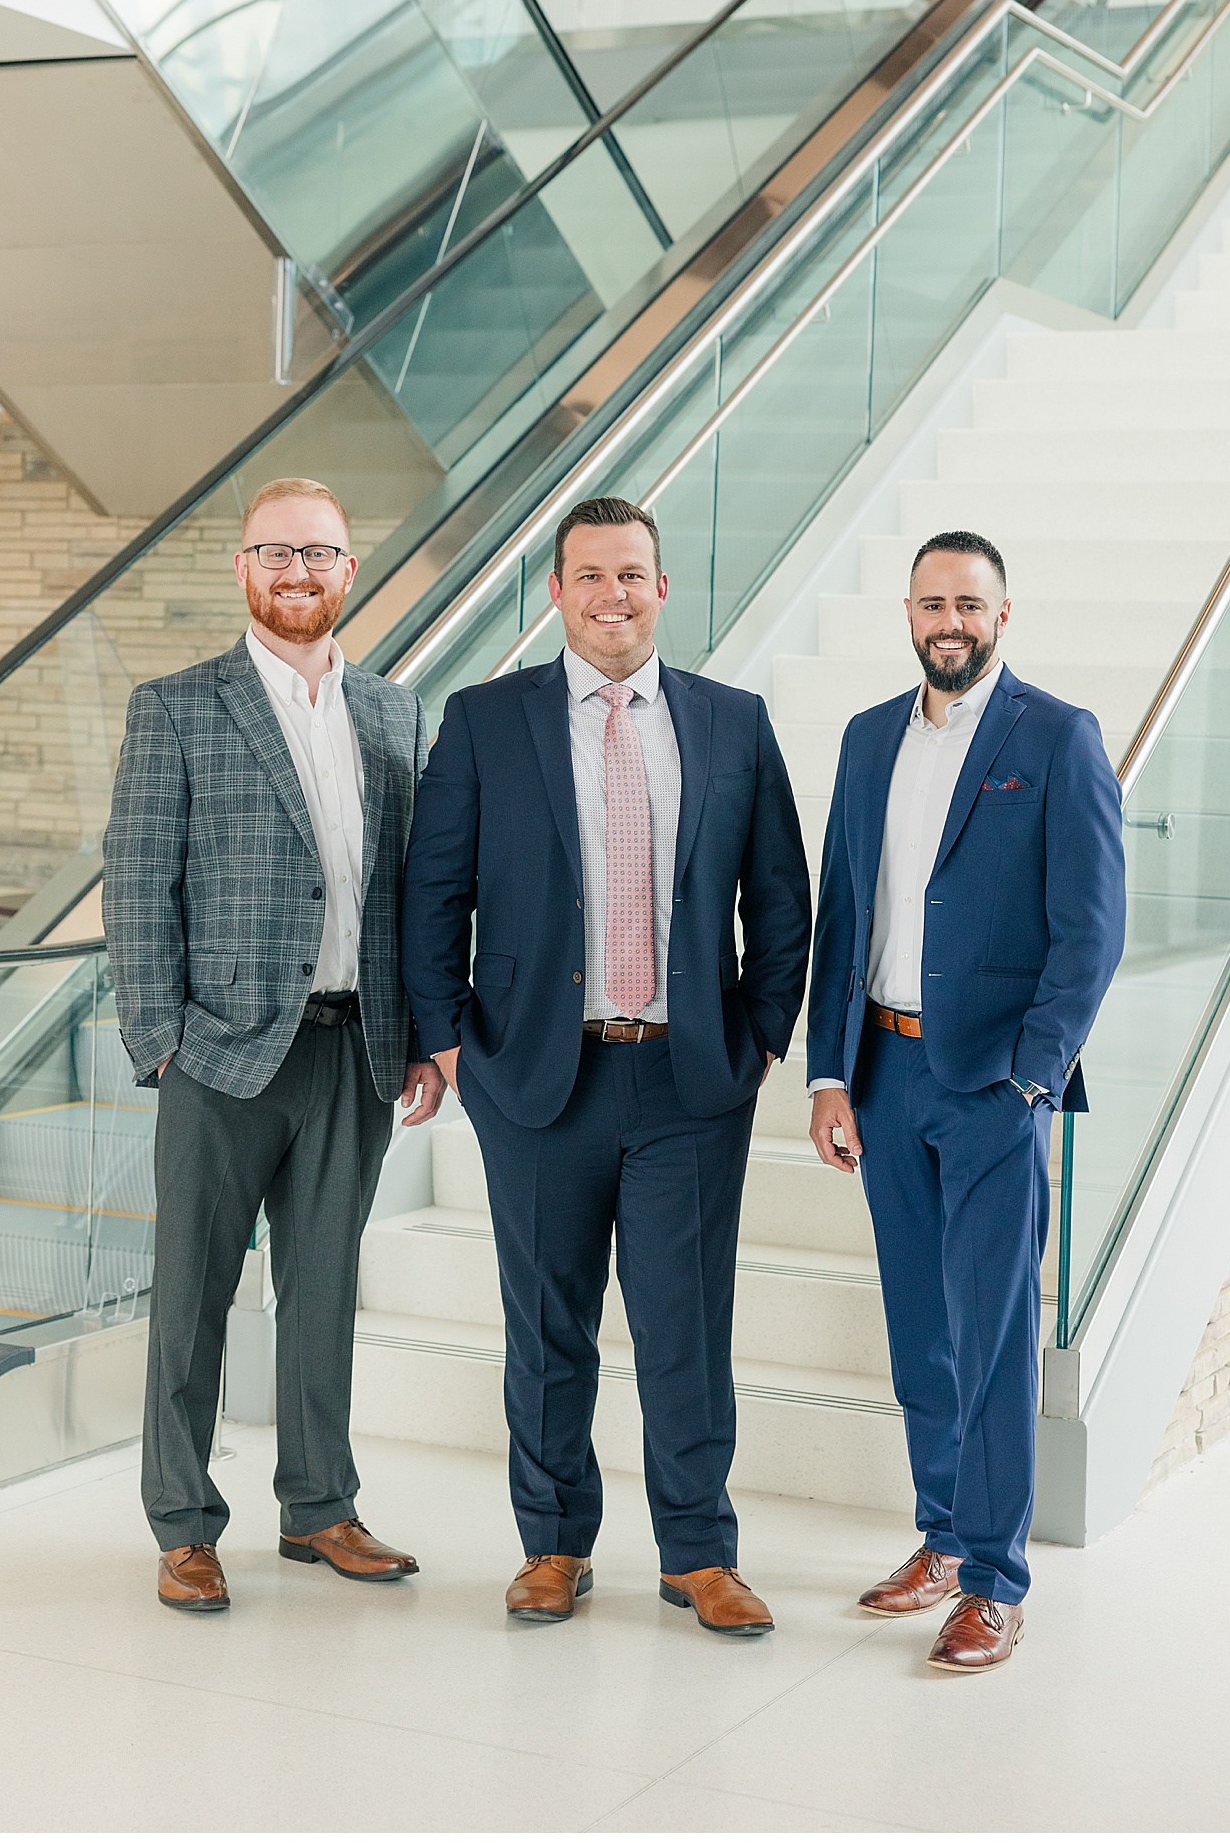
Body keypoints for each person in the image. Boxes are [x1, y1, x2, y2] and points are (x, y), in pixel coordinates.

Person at [402, 497, 811, 1635]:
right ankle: (552, 1544)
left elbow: (779, 893)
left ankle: (699, 1550)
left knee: (687, 1323)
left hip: (690, 1080)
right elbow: (434, 891)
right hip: (537, 1075)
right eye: (589, 575)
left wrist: (764, 1034)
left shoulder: (733, 720)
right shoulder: (487, 721)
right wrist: (447, 1037)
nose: (612, 594)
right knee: (546, 1323)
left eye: (632, 573)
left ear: (663, 588)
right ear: (558, 592)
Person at [103, 476, 445, 1615]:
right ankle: (185, 1523)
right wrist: (161, 1041)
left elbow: (413, 891)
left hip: (357, 1049)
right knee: (193, 1295)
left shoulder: (397, 711)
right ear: (243, 567)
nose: (298, 570)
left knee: (326, 1289)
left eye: (321, 552)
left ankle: (320, 1507)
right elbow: (139, 886)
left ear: (349, 571)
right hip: (222, 1055)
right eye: (275, 551)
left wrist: (424, 1035)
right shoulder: (177, 706)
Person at [807, 530, 1124, 1673]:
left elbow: (1090, 934)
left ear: (1004, 613)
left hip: (993, 1084)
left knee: (992, 1337)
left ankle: (996, 1578)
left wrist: (1033, 1075)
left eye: (971, 602)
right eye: (933, 600)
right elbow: (844, 908)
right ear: (906, 611)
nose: (951, 619)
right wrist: (829, 1070)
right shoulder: (864, 738)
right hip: (884, 1075)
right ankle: (941, 1536)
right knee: (920, 1330)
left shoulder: (1057, 736)